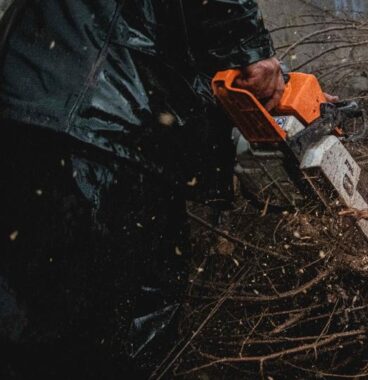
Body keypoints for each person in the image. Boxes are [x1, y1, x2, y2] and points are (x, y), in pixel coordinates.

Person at [0, 0, 284, 376]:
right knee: (107, 340)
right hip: (106, 121)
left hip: (30, 100)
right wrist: (252, 52)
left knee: (23, 325)